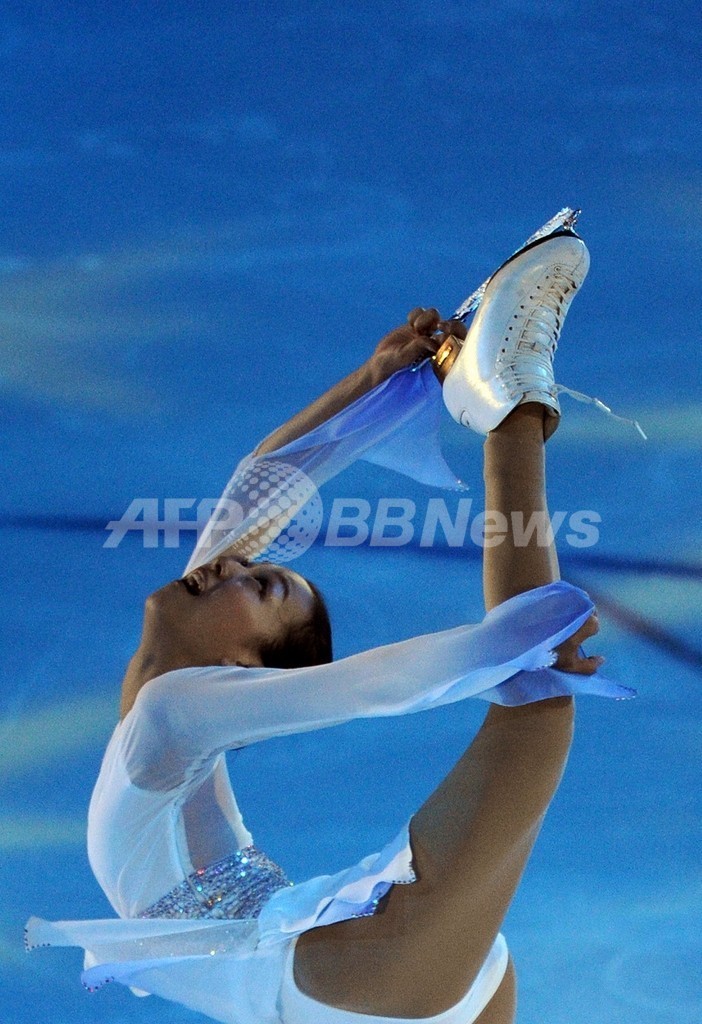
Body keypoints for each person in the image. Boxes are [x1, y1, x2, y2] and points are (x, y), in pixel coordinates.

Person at [27, 225, 633, 1024]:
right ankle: (506, 398)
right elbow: (271, 526)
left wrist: (508, 649)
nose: (234, 562)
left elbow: (271, 523)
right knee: (536, 702)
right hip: (368, 966)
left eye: (260, 580)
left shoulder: (165, 720)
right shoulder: (167, 719)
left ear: (238, 666)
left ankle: (513, 404)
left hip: (353, 969)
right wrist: (375, 379)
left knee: (537, 712)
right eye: (264, 579)